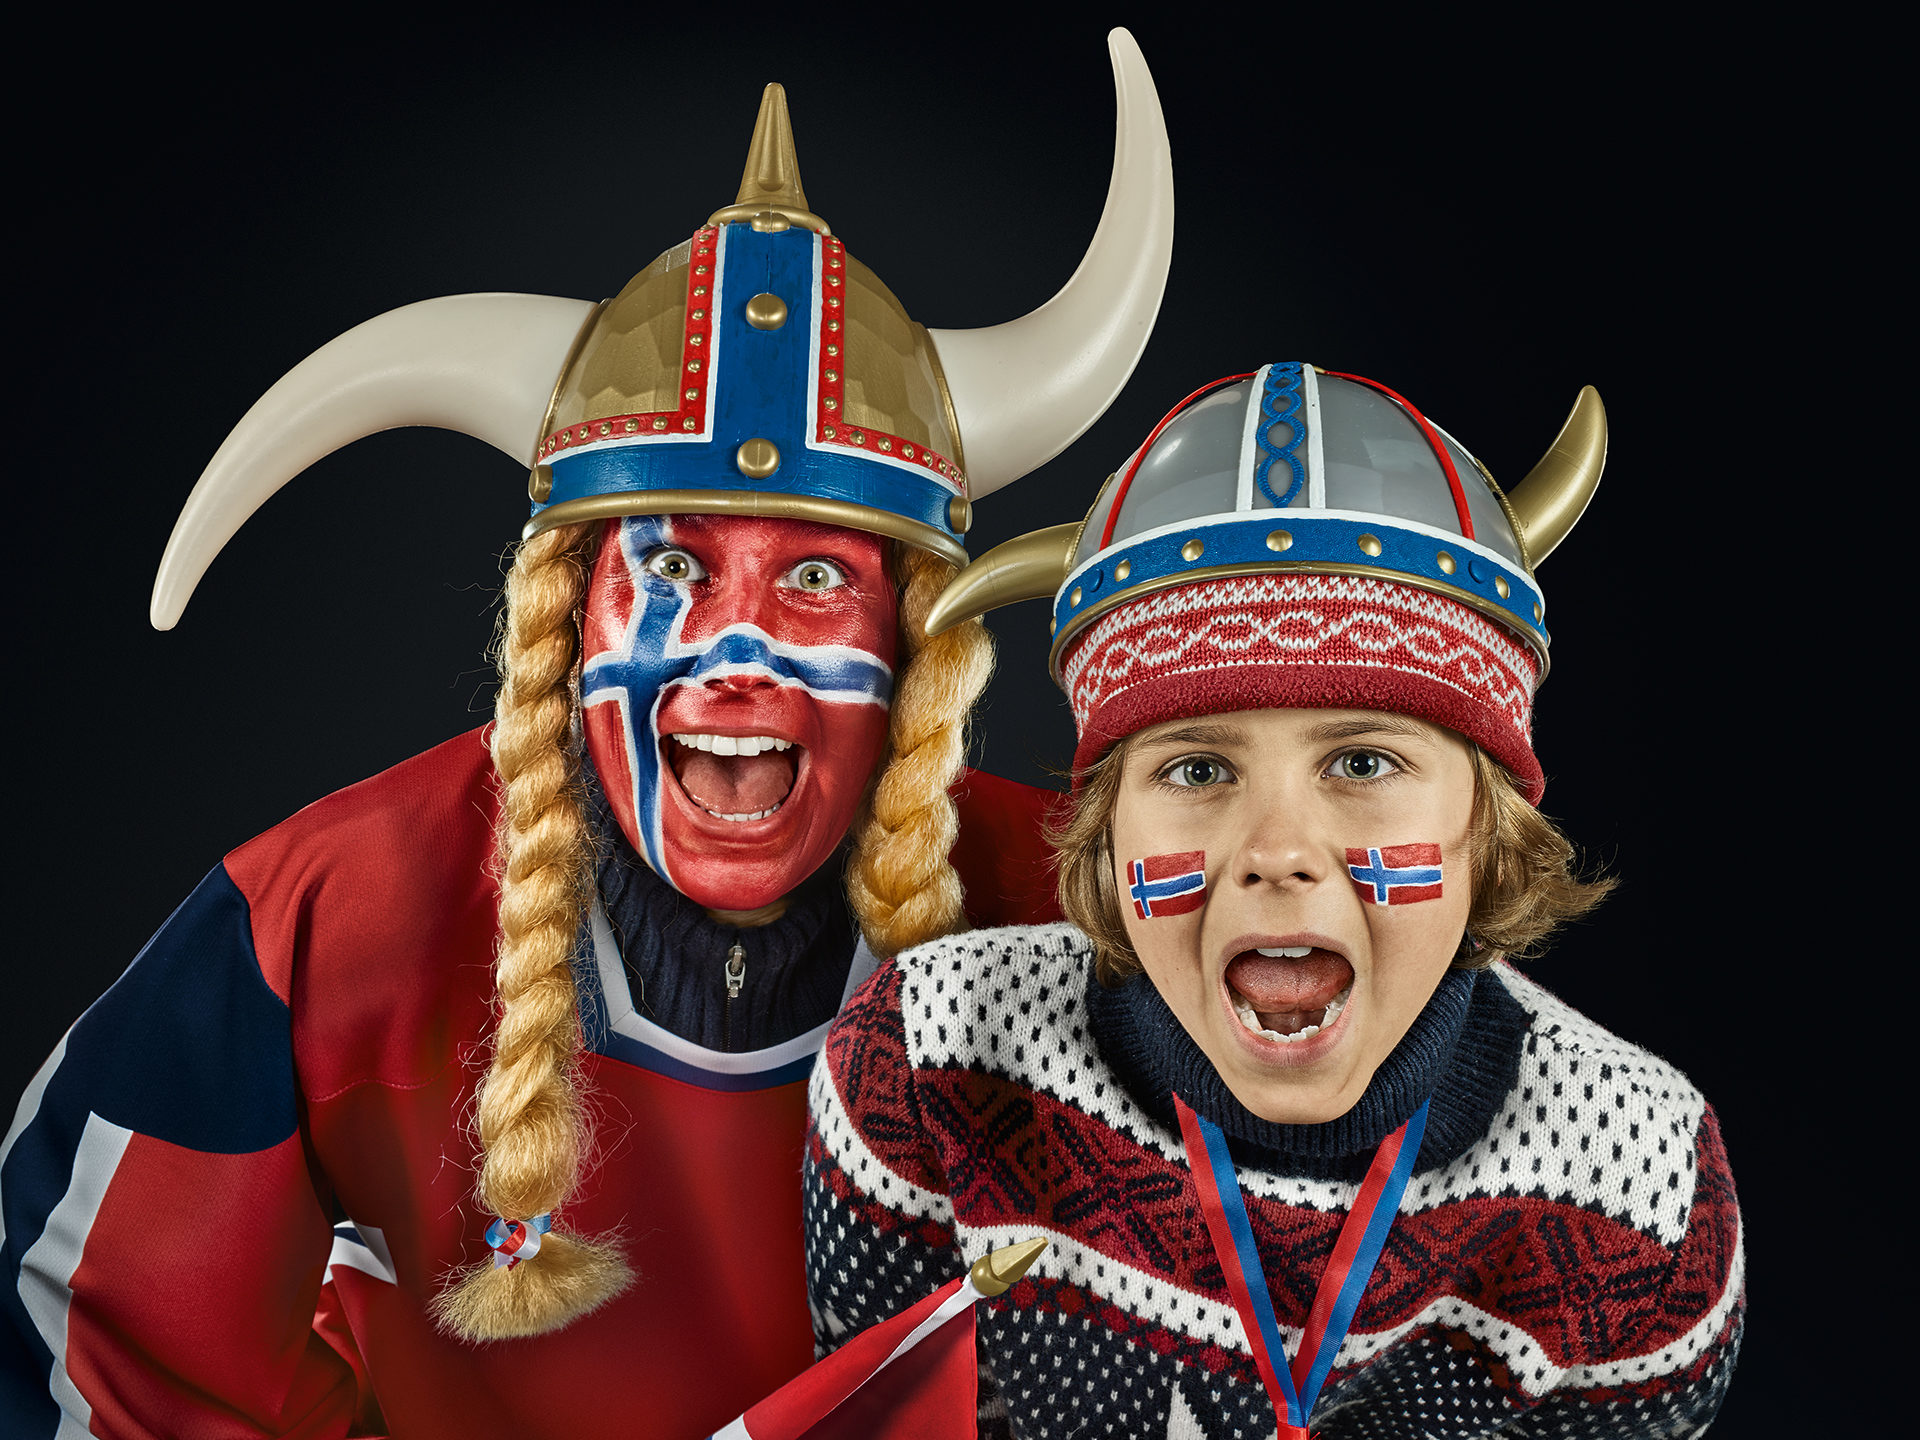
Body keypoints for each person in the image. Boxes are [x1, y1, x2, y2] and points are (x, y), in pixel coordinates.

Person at [0, 34, 1172, 1438]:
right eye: (669, 571)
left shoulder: (1095, 928)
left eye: (812, 580)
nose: (734, 651)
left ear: (913, 643)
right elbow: (92, 1330)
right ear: (567, 621)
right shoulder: (320, 934)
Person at [804, 363, 1744, 1437]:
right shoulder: (931, 1063)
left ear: (1487, 830)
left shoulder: (1639, 1182)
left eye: (1360, 762)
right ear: (1108, 840)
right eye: (1198, 770)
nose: (1280, 852)